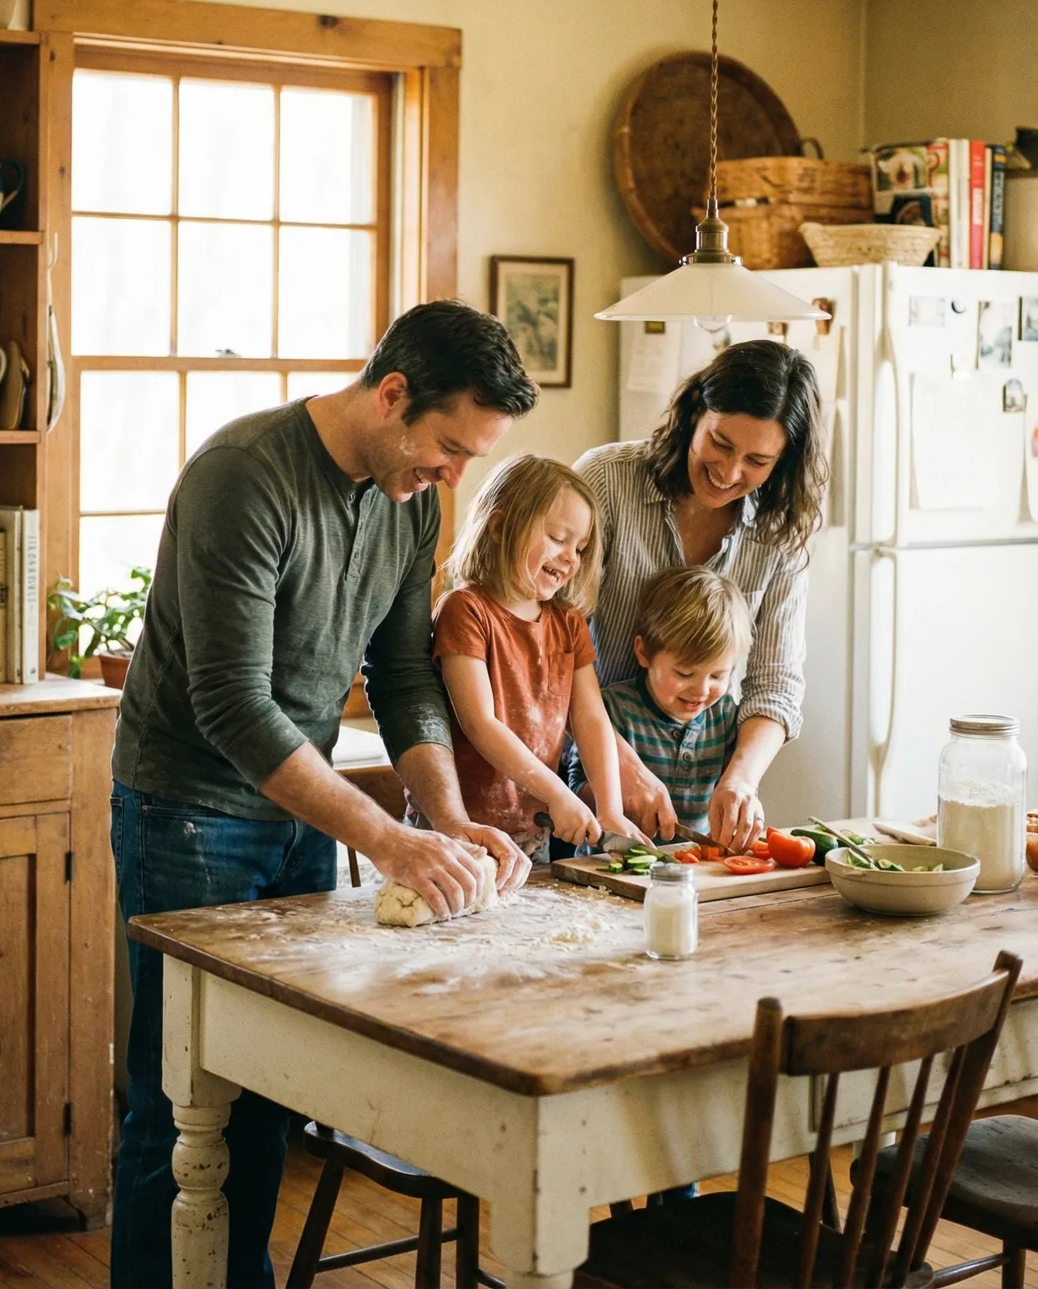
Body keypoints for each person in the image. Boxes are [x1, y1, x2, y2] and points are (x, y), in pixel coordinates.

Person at [110, 300, 537, 1289]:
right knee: (175, 1099)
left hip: (298, 815)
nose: (453, 476)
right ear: (391, 394)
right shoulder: (242, 475)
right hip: (190, 811)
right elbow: (230, 703)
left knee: (266, 1091)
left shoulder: (410, 499)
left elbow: (401, 670)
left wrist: (446, 812)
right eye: (447, 446)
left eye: (472, 455)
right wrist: (387, 837)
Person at [575, 338, 827, 852]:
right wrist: (617, 764)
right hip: (580, 765)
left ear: (783, 461)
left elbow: (776, 683)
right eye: (720, 442)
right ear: (695, 412)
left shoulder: (779, 530)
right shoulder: (605, 480)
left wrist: (740, 780)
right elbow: (547, 645)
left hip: (694, 782)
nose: (730, 473)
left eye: (757, 460)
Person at [427, 454, 643, 857]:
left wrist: (610, 810)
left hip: (530, 831)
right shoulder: (465, 610)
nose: (570, 558)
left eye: (579, 547)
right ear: (498, 526)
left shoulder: (568, 622)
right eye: (558, 539)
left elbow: (591, 719)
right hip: (458, 830)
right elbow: (480, 723)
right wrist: (557, 793)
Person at [590, 566, 753, 835]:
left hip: (696, 868)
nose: (701, 690)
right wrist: (618, 798)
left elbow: (734, 793)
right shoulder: (613, 709)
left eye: (718, 675)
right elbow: (577, 786)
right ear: (643, 652)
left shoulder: (725, 717)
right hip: (612, 863)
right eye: (684, 673)